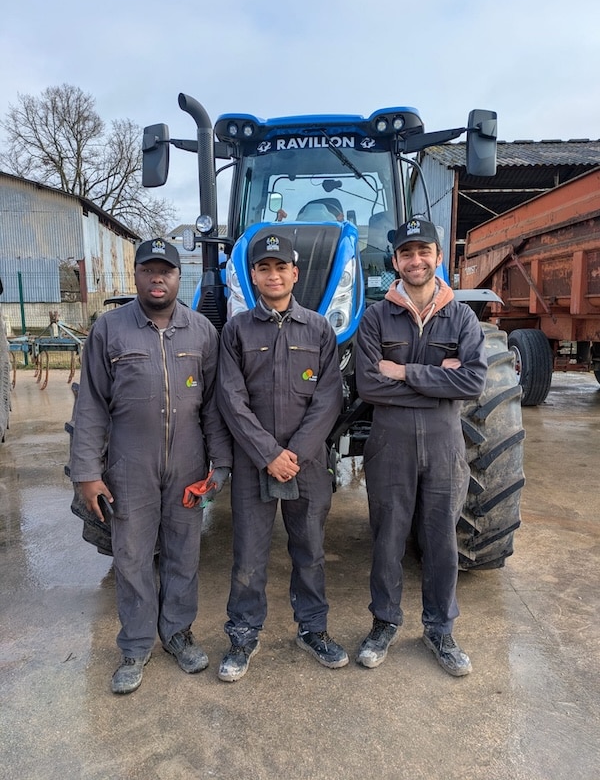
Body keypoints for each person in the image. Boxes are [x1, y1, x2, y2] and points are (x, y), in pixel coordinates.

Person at [70, 238, 232, 694]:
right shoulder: (109, 329)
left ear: (179, 277)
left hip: (188, 465)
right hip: (129, 465)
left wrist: (220, 462)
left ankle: (178, 634)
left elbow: (214, 408)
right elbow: (91, 406)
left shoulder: (202, 332)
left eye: (166, 271)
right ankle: (136, 645)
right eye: (148, 270)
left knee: (184, 553)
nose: (157, 278)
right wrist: (87, 472)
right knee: (132, 557)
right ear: (137, 275)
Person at [354, 218, 487, 677]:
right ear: (395, 261)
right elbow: (370, 385)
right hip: (390, 442)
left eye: (423, 251)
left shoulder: (462, 317)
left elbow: (472, 382)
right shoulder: (375, 317)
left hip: (444, 443)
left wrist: (405, 372)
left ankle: (440, 629)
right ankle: (384, 622)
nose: (416, 260)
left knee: (441, 538)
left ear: (438, 256)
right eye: (407, 253)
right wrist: (439, 382)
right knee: (388, 537)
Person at [216, 232, 348, 681]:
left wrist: (296, 453)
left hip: (306, 465)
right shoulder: (235, 331)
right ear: (252, 276)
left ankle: (313, 629)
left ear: (295, 273)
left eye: (281, 268)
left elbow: (329, 399)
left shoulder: (320, 329)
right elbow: (231, 399)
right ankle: (243, 634)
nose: (273, 275)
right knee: (249, 556)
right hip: (254, 463)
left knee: (309, 550)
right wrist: (268, 454)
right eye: (264, 268)